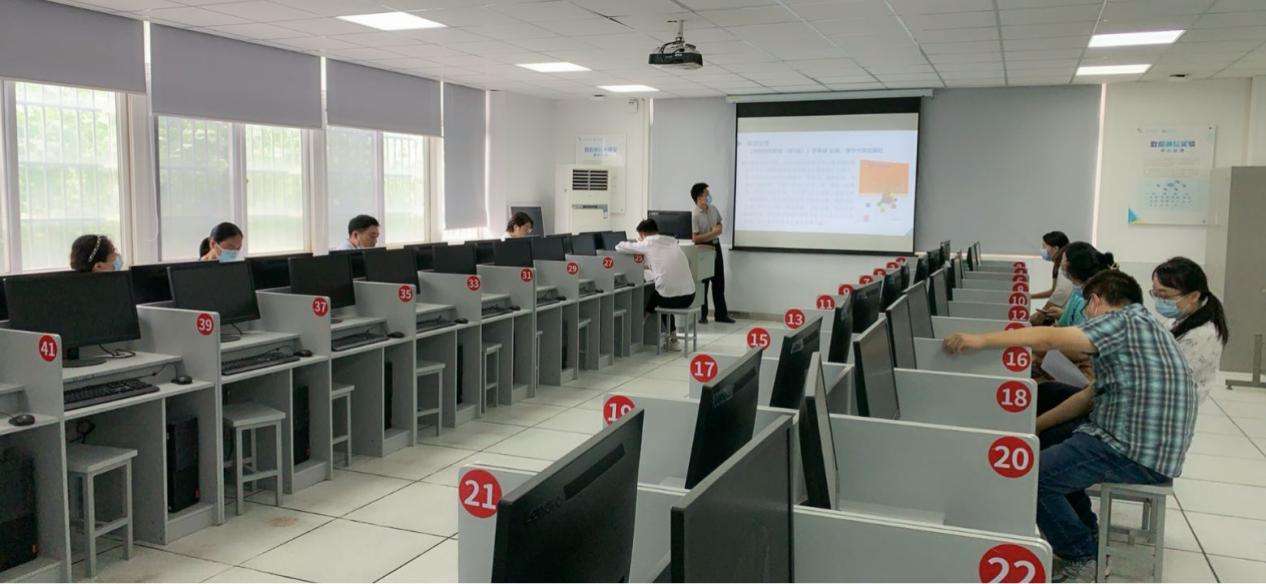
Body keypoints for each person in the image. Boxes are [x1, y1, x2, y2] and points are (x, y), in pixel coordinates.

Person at [944, 270, 1196, 583]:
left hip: (1131, 451)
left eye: (1086, 306)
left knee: (1027, 478)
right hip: (1142, 445)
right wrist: (1036, 427)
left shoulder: (1121, 322)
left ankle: (1081, 555)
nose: (1085, 315)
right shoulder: (1144, 326)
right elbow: (1088, 397)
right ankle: (1088, 532)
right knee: (1052, 439)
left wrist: (981, 340)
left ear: (1096, 301)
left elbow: (1050, 338)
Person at [1152, 257, 1229, 404]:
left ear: (1194, 296)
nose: (1159, 300)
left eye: (1164, 295)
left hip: (1174, 402)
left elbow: (1169, 377)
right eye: (1155, 293)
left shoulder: (1203, 335)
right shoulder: (1178, 320)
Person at [615, 218, 696, 350]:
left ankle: (645, 320)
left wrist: (639, 243)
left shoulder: (648, 243)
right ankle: (671, 337)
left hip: (671, 299)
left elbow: (619, 247)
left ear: (642, 234)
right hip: (690, 296)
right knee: (660, 292)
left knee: (660, 296)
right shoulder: (671, 242)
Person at [690, 182, 732, 324]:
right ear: (699, 197)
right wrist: (712, 233)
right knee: (704, 282)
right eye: (706, 194)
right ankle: (702, 315)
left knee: (719, 280)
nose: (709, 196)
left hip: (716, 245)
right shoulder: (694, 215)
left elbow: (719, 223)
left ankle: (721, 314)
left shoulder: (713, 209)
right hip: (703, 248)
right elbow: (695, 238)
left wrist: (718, 229)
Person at [1030, 231, 1071, 326]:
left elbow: (1061, 292)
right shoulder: (1057, 266)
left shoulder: (1063, 267)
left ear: (1056, 248)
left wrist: (1041, 313)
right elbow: (1053, 291)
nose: (1042, 250)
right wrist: (1030, 296)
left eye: (1044, 247)